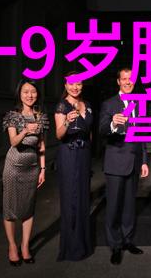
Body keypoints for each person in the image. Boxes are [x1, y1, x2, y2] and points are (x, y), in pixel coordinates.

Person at [99, 68, 149, 265]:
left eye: (131, 79)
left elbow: (142, 135)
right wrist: (112, 123)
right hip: (115, 162)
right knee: (113, 207)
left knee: (129, 206)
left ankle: (127, 240)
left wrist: (144, 160)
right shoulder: (109, 103)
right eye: (124, 79)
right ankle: (115, 245)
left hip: (134, 162)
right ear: (118, 82)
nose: (128, 82)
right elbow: (102, 130)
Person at [2, 79, 49, 266]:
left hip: (32, 166)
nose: (30, 95)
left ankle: (25, 246)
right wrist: (25, 131)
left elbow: (42, 146)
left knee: (28, 207)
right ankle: (12, 246)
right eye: (26, 92)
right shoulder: (13, 116)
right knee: (10, 208)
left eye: (33, 92)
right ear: (19, 94)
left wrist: (43, 169)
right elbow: (13, 142)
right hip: (13, 166)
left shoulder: (40, 116)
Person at [54, 72, 94, 261]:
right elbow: (59, 135)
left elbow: (89, 132)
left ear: (82, 85)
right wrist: (67, 122)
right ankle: (72, 248)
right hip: (69, 154)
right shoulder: (62, 106)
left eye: (78, 83)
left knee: (84, 198)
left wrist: (89, 151)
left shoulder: (88, 105)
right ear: (66, 85)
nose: (75, 87)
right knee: (71, 198)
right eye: (71, 83)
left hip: (84, 154)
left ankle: (84, 244)